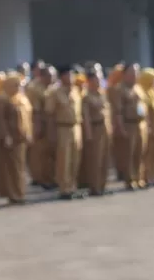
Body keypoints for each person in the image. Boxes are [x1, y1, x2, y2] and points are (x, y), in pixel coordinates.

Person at [47, 65, 84, 199]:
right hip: (62, 127)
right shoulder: (54, 92)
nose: (71, 78)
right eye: (68, 75)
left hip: (76, 127)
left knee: (75, 158)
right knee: (64, 159)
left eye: (72, 75)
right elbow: (50, 114)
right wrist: (51, 133)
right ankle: (64, 188)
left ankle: (72, 186)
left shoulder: (76, 90)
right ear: (62, 77)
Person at [0, 72, 31, 204]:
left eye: (19, 85)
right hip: (12, 138)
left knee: (20, 167)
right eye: (15, 85)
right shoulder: (3, 99)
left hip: (21, 138)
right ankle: (14, 194)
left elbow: (27, 117)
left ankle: (20, 192)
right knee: (13, 168)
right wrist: (6, 136)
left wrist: (28, 133)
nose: (18, 87)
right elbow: (1, 120)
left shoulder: (22, 98)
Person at [111, 64, 148, 190]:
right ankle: (130, 179)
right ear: (125, 74)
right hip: (129, 124)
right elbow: (118, 111)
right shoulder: (119, 89)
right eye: (131, 72)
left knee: (140, 152)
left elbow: (144, 107)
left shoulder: (139, 88)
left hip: (140, 124)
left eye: (136, 72)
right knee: (129, 154)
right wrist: (121, 128)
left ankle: (139, 178)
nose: (134, 75)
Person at [80, 65, 111, 196]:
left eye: (100, 79)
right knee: (95, 160)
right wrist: (88, 134)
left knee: (104, 158)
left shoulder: (102, 94)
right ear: (90, 81)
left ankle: (103, 185)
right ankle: (95, 187)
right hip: (94, 128)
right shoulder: (86, 97)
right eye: (96, 79)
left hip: (104, 128)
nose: (99, 82)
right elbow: (86, 116)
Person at [137, 68, 154, 187]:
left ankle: (152, 175)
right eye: (153, 79)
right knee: (145, 154)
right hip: (148, 128)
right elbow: (143, 112)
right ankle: (144, 177)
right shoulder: (142, 93)